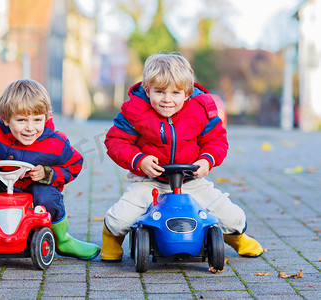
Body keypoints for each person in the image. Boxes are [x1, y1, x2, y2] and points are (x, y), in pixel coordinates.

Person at [101, 52, 263, 262]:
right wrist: (139, 160)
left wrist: (207, 160)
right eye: (159, 92)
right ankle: (110, 239)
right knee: (119, 218)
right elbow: (115, 141)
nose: (167, 100)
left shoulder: (200, 110)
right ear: (148, 89)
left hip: (191, 180)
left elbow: (217, 140)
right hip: (150, 181)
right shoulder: (135, 111)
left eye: (175, 93)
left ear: (187, 93)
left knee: (233, 217)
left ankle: (236, 237)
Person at [0, 79, 100, 265]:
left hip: (32, 187)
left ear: (46, 118)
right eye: (21, 120)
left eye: (37, 120)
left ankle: (62, 239)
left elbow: (75, 164)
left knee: (48, 196)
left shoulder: (55, 144)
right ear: (5, 119)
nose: (30, 128)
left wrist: (47, 173)